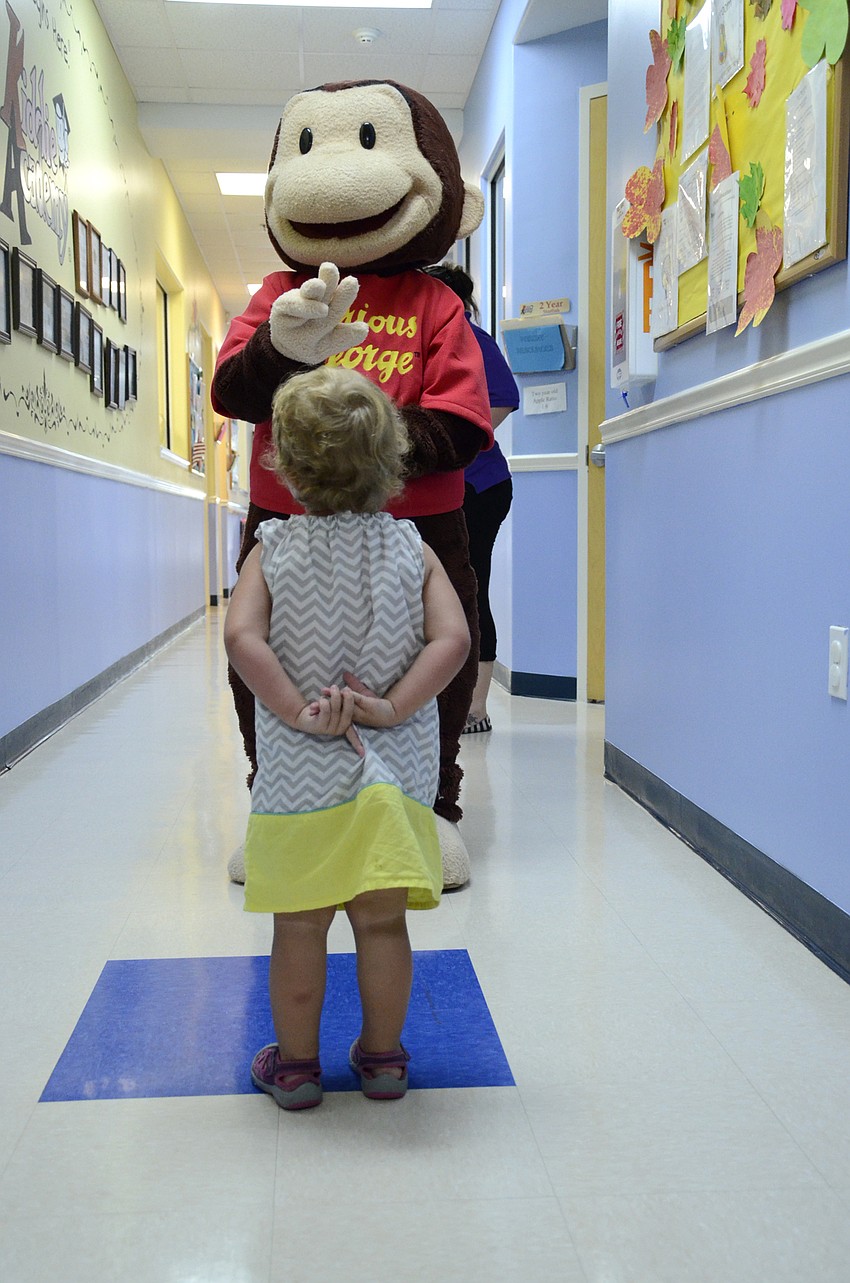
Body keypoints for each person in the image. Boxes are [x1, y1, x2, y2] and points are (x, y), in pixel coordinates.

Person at [224, 366, 470, 1111]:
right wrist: (392, 707)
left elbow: (241, 637)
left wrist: (299, 709)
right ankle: (383, 1059)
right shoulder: (411, 549)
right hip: (391, 776)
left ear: (286, 469)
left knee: (299, 923)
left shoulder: (274, 549)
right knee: (382, 921)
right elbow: (453, 640)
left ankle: (296, 1067)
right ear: (391, 464)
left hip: (301, 777)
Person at [425, 264, 519, 733]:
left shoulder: (473, 338)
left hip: (480, 485)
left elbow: (504, 397)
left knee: (470, 586)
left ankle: (476, 707)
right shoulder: (423, 336)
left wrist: (461, 441)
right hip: (438, 487)